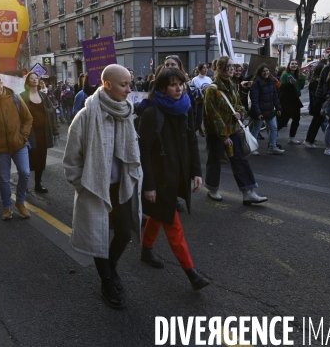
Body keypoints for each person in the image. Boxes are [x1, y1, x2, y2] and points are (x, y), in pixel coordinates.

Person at [63, 64, 143, 309]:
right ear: (107, 85)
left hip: (122, 186)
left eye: (130, 83)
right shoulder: (86, 116)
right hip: (95, 188)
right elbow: (71, 160)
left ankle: (111, 266)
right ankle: (107, 281)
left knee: (124, 233)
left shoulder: (127, 111)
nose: (129, 89)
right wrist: (83, 186)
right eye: (124, 84)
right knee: (98, 237)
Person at [137, 67, 209, 291]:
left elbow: (191, 142)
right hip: (159, 178)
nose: (179, 88)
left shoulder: (185, 107)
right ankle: (191, 273)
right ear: (161, 87)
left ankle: (146, 249)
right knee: (172, 224)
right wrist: (148, 185)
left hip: (177, 174)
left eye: (181, 83)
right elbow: (144, 152)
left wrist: (196, 172)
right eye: (173, 84)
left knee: (158, 216)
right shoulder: (151, 113)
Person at [203, 56, 267, 205]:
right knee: (214, 160)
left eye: (233, 66)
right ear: (219, 69)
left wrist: (240, 113)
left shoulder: (232, 85)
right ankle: (213, 188)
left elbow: (239, 105)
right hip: (216, 133)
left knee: (239, 159)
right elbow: (213, 116)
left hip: (232, 129)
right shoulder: (212, 90)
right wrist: (224, 135)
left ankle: (248, 192)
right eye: (229, 66)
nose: (232, 69)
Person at [0, 74, 33, 219]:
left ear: (2, 82)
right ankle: (7, 206)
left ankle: (20, 202)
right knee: (4, 178)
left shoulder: (15, 98)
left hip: (19, 144)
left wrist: (23, 136)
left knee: (25, 173)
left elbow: (28, 118)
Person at [20, 72, 59, 194]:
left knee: (41, 159)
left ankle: (38, 184)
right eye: (31, 78)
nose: (35, 80)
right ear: (27, 81)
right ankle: (24, 185)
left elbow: (51, 113)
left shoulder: (43, 96)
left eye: (36, 78)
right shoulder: (22, 96)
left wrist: (55, 130)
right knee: (28, 160)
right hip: (29, 133)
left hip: (43, 132)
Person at [249, 64, 284, 155]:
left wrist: (278, 108)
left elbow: (275, 96)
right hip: (260, 111)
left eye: (267, 71)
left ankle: (272, 147)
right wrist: (258, 112)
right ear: (260, 72)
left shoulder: (271, 81)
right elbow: (254, 99)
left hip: (270, 110)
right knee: (256, 129)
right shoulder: (256, 83)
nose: (266, 73)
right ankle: (251, 148)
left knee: (274, 128)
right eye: (263, 71)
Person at [277, 60, 305, 145]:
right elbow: (282, 87)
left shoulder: (297, 75)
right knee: (284, 119)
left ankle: (292, 137)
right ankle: (273, 132)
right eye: (292, 64)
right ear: (289, 65)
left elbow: (300, 87)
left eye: (296, 64)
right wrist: (290, 83)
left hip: (295, 99)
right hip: (288, 100)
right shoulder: (285, 74)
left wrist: (303, 78)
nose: (294, 65)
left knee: (296, 119)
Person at [190, 63, 211, 137]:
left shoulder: (209, 79)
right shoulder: (195, 79)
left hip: (209, 103)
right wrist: (203, 89)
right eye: (204, 68)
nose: (206, 70)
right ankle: (193, 134)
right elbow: (192, 92)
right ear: (199, 69)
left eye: (206, 68)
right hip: (200, 103)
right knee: (198, 119)